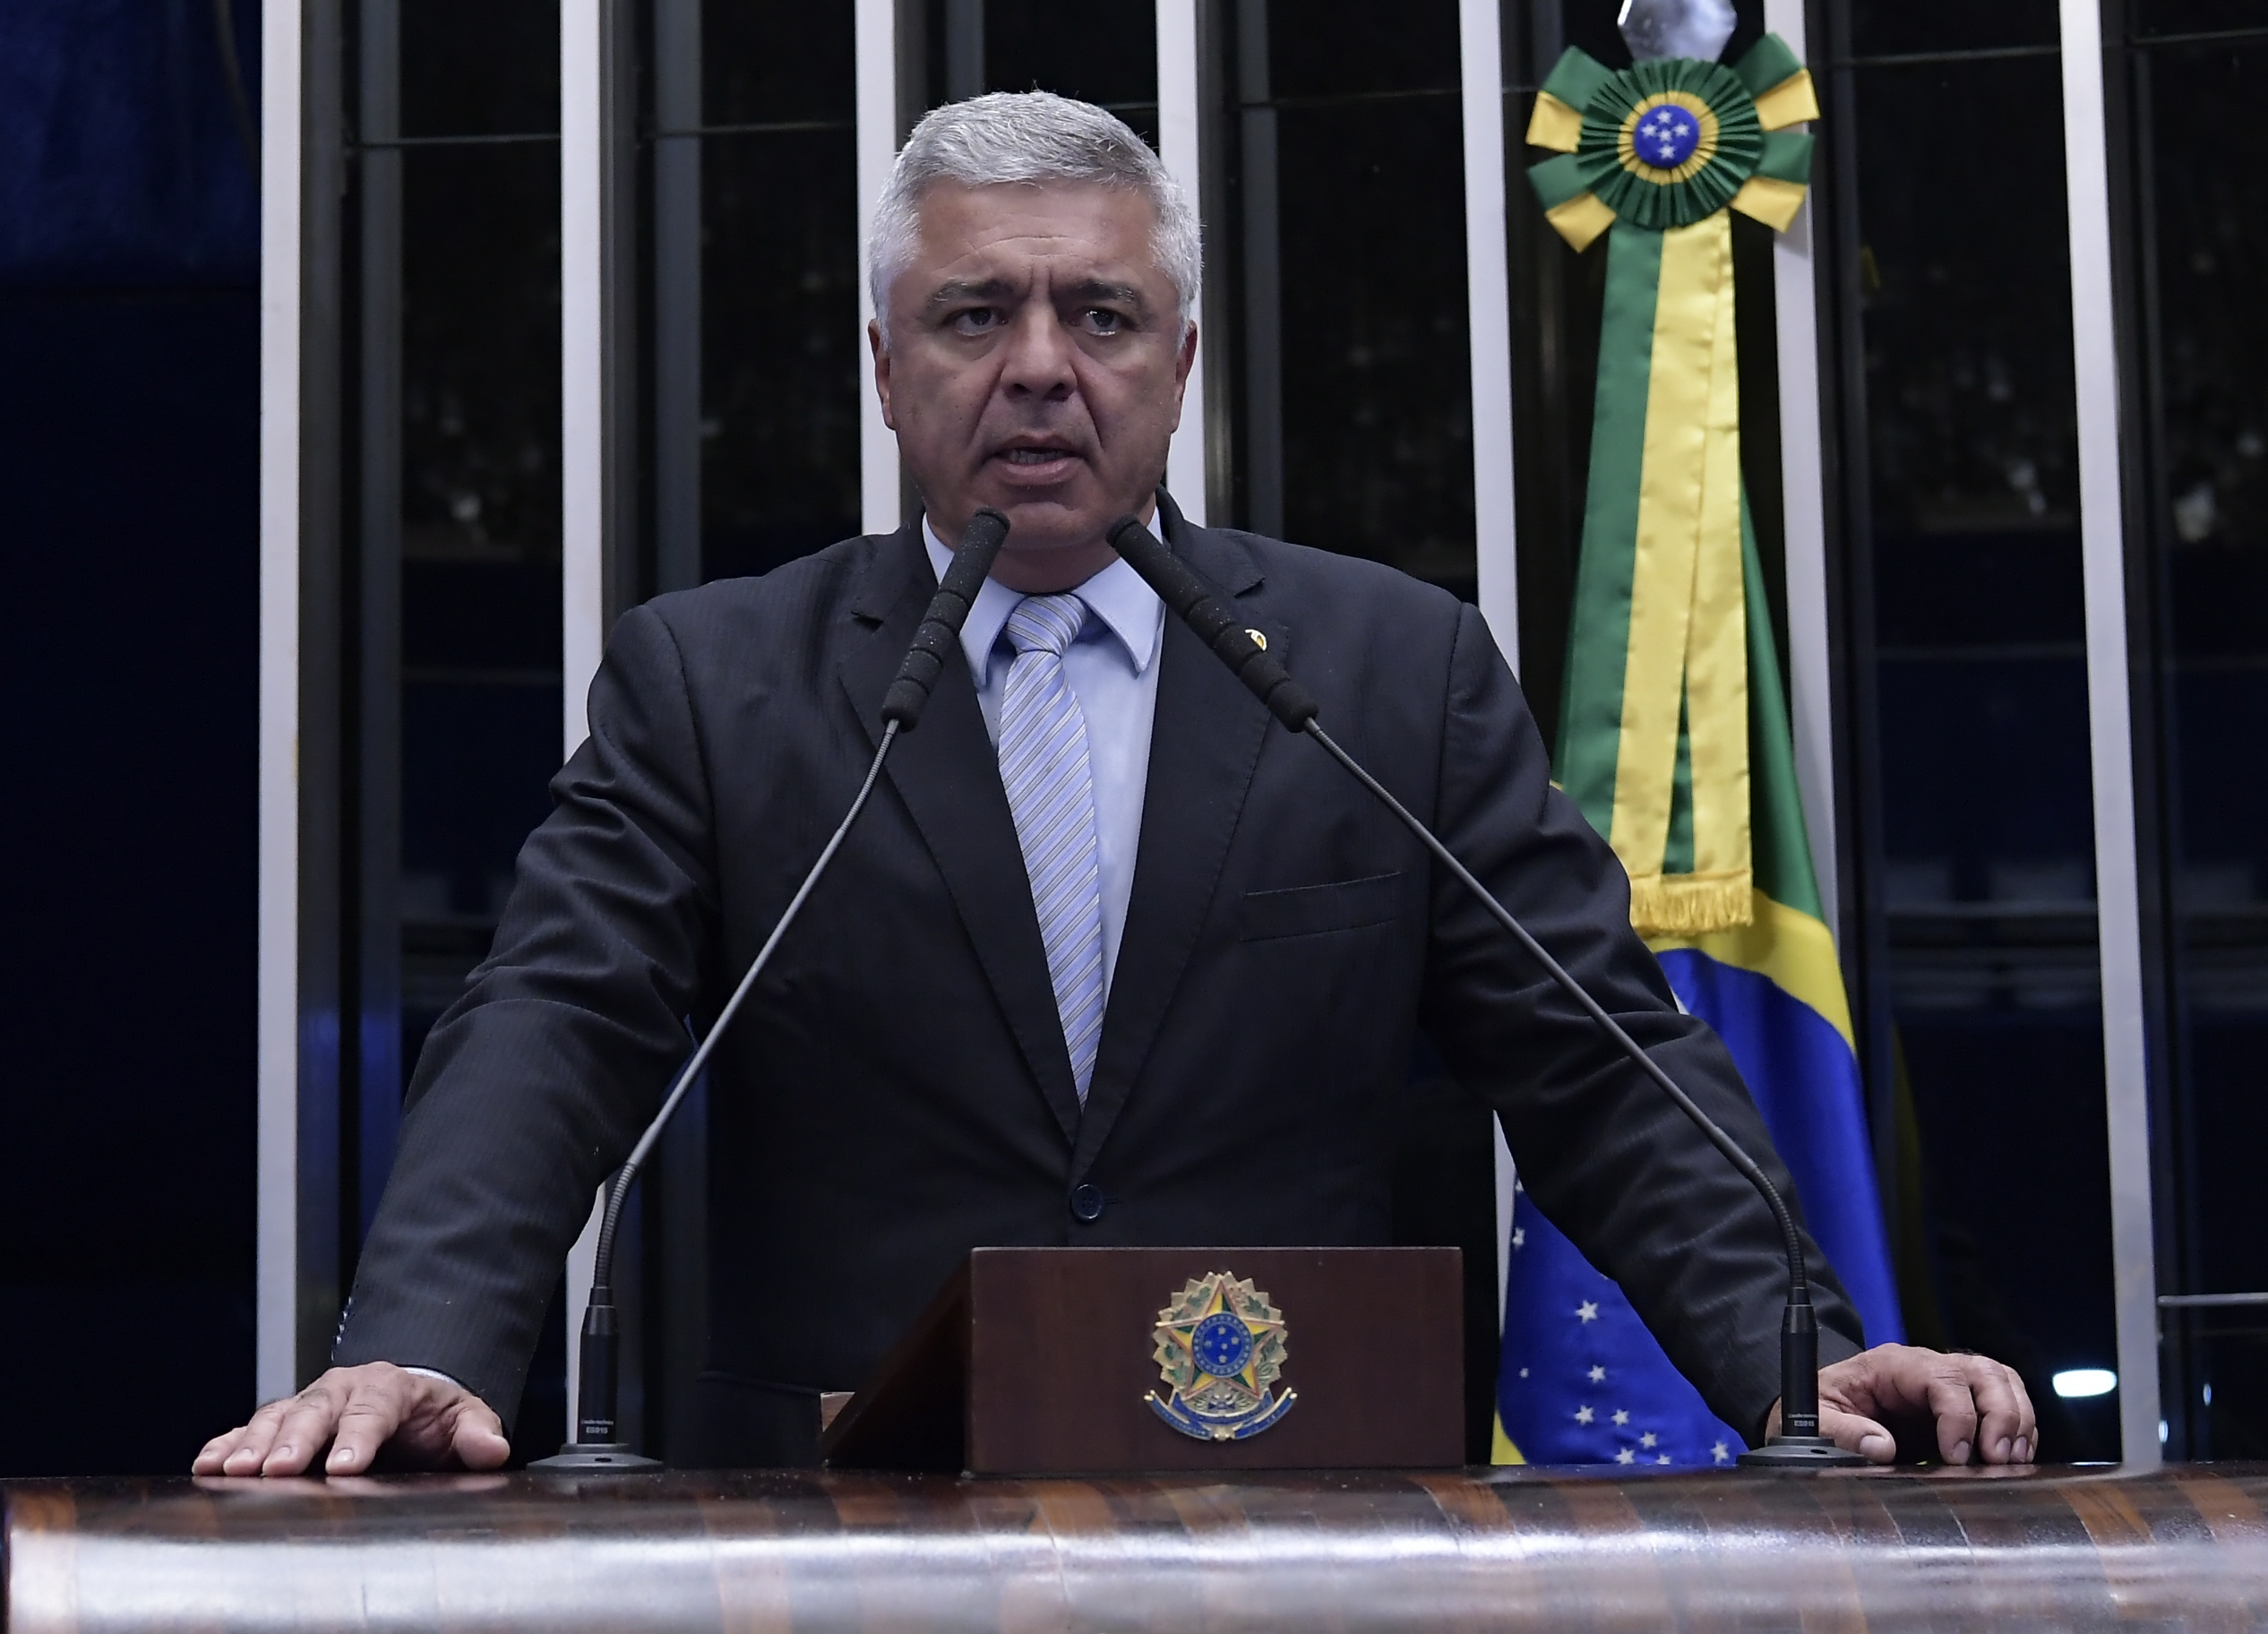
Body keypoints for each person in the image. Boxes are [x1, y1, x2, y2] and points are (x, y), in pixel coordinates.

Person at [197, 91, 2032, 1480]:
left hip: (1306, 1514)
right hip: (844, 1531)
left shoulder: (1385, 672)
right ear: (885, 367)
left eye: (1101, 315)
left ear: (1182, 360)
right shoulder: (716, 682)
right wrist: (422, 1343)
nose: (1040, 371)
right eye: (972, 316)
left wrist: (1798, 1356)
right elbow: (552, 1025)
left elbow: (1600, 1062)